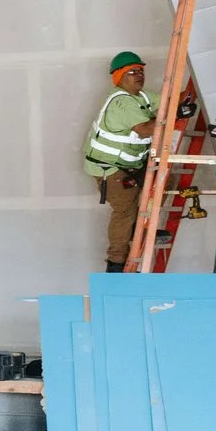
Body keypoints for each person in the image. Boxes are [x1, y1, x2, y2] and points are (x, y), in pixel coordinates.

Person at [84, 51, 157, 272]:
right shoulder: (121, 102)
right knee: (124, 210)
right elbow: (144, 130)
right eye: (132, 72)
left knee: (164, 183)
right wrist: (174, 115)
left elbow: (169, 102)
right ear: (119, 76)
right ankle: (116, 262)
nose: (139, 75)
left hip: (131, 165)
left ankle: (137, 227)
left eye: (141, 71)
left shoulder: (142, 97)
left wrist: (184, 101)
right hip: (110, 168)